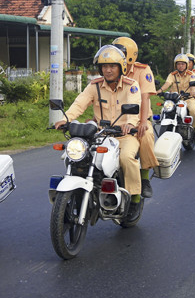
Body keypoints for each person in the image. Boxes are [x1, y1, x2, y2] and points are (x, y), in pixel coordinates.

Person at [54, 45, 143, 219]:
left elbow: (135, 107)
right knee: (76, 156)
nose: (108, 70)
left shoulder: (131, 86)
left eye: (112, 66)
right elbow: (80, 103)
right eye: (104, 66)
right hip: (100, 136)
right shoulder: (94, 86)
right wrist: (66, 119)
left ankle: (134, 199)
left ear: (121, 67)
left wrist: (129, 123)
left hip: (124, 135)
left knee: (126, 158)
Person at [112, 36, 158, 198]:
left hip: (138, 119)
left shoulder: (142, 70)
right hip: (116, 120)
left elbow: (145, 98)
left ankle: (144, 177)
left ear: (130, 55)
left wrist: (143, 122)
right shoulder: (114, 69)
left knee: (145, 136)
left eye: (122, 53)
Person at [156, 53, 195, 132]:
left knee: (193, 110)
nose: (180, 66)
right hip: (174, 99)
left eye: (182, 64)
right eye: (178, 64)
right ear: (175, 65)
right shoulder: (172, 75)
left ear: (186, 65)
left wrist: (192, 91)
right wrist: (159, 91)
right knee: (164, 109)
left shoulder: (191, 74)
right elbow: (167, 83)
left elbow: (192, 85)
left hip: (187, 98)